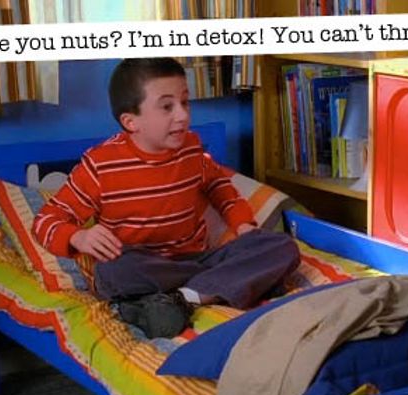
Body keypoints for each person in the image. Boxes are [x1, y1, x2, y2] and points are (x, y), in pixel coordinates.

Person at [32, 58, 300, 339]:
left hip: (198, 260)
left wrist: (242, 224)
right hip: (142, 265)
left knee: (282, 247)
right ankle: (212, 289)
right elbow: (46, 220)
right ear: (130, 121)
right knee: (112, 272)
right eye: (167, 107)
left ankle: (182, 299)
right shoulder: (100, 165)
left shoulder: (192, 148)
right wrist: (79, 237)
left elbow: (218, 185)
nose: (182, 115)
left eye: (185, 102)